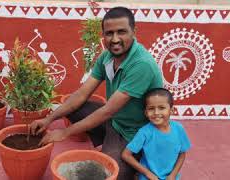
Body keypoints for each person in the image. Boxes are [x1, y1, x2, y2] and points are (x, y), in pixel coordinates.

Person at [29, 6, 163, 179]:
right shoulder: (107, 57)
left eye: (121, 32)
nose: (115, 39)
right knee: (75, 107)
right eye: (109, 33)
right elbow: (81, 94)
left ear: (133, 31)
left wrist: (65, 133)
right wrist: (48, 119)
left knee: (110, 173)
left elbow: (107, 111)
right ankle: (106, 143)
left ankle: (136, 158)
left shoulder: (141, 65)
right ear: (104, 35)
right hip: (116, 122)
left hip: (136, 133)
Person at [122, 88, 191, 180]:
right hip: (148, 177)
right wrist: (147, 173)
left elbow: (182, 154)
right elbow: (126, 155)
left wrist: (173, 175)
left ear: (171, 110)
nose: (156, 113)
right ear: (146, 113)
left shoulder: (178, 129)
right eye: (151, 109)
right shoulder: (144, 132)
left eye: (161, 108)